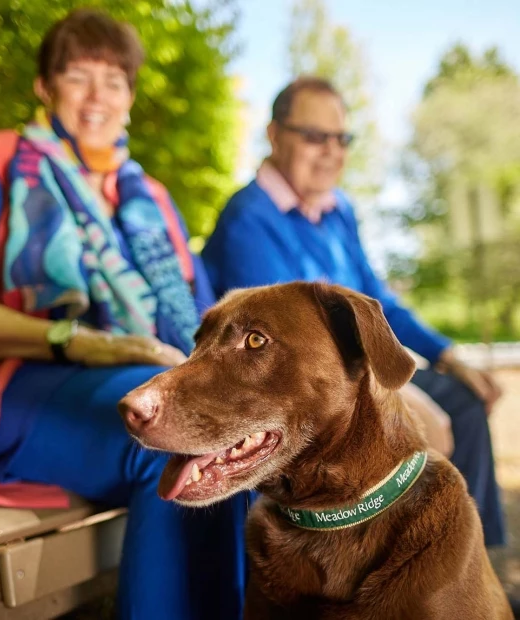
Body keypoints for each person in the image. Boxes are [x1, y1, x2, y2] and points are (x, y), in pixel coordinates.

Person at [0, 10, 249, 619]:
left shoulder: (151, 198)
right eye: (78, 77)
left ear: (130, 97)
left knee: (232, 433)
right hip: (1, 389)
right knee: (173, 439)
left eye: (113, 81)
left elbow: (204, 318)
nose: (96, 97)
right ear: (44, 87)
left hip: (130, 381)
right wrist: (79, 341)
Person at [202, 76, 506, 547]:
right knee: (433, 417)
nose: (331, 151)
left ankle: (474, 568)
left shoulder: (337, 210)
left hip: (356, 377)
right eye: (314, 136)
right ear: (275, 134)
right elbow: (286, 355)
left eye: (341, 138)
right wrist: (406, 399)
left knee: (464, 402)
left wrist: (447, 356)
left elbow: (377, 304)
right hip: (305, 392)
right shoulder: (249, 219)